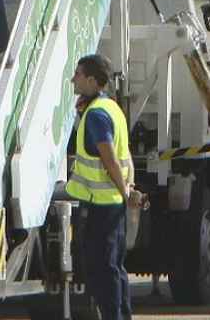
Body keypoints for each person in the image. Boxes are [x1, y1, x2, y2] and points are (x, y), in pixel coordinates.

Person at [66, 54, 138, 320]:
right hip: (111, 203)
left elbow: (108, 157)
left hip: (101, 205)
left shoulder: (96, 115)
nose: (73, 78)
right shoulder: (111, 107)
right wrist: (128, 189)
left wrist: (124, 191)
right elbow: (124, 154)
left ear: (92, 80)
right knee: (115, 267)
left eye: (78, 74)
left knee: (101, 268)